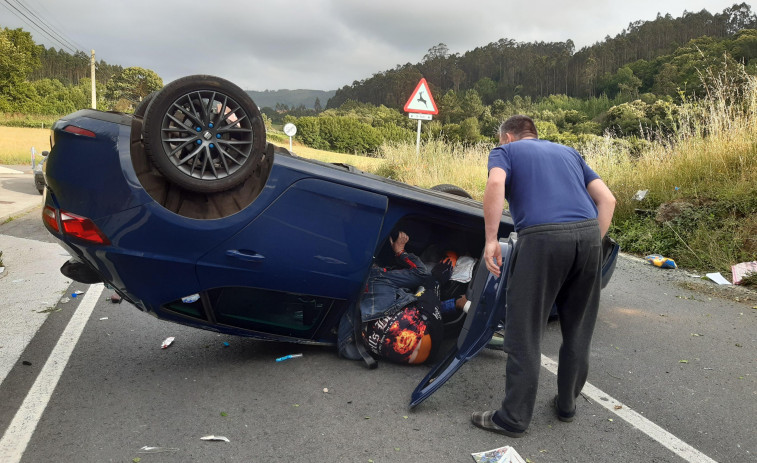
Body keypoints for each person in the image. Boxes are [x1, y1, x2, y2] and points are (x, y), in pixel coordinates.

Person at [471, 115, 616, 437]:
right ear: (534, 135)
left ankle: (512, 418)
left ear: (507, 136)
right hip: (590, 239)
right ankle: (566, 405)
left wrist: (491, 240)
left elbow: (495, 184)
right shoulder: (569, 153)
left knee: (524, 329)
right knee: (578, 329)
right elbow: (607, 200)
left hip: (542, 239)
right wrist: (590, 241)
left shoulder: (504, 152)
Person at [338, 231, 462, 365]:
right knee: (432, 281)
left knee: (420, 302)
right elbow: (421, 274)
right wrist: (400, 251)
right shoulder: (378, 276)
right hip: (424, 345)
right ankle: (450, 293)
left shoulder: (349, 311)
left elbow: (347, 349)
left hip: (420, 346)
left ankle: (455, 303)